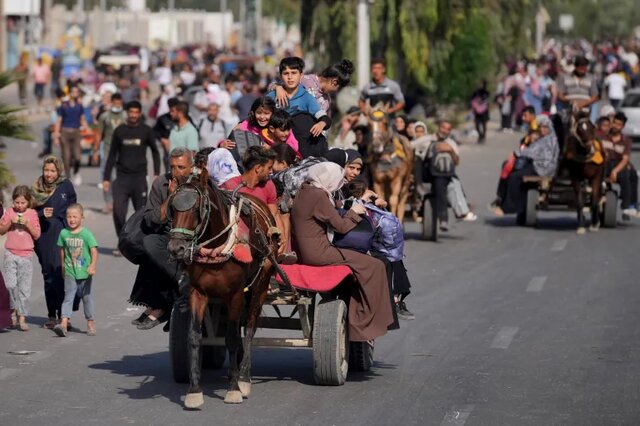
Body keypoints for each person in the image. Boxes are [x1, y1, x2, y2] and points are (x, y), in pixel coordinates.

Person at [290, 162, 394, 341]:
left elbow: (328, 206)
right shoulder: (318, 195)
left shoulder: (306, 190)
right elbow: (341, 227)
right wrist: (354, 212)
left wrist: (347, 203)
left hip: (307, 251)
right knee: (375, 265)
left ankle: (359, 317)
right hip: (319, 253)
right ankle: (363, 322)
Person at [132, 148, 194, 330]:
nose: (176, 172)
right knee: (149, 243)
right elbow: (152, 219)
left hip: (195, 238)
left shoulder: (199, 183)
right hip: (169, 235)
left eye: (181, 167)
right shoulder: (161, 183)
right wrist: (170, 196)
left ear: (191, 166)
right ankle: (174, 289)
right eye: (173, 167)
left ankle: (164, 304)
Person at [103, 101, 160, 255]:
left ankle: (140, 243)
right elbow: (112, 154)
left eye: (136, 112)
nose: (133, 115)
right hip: (122, 178)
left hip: (139, 178)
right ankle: (122, 242)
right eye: (131, 112)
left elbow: (155, 151)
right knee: (118, 211)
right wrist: (106, 178)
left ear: (140, 113)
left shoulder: (146, 130)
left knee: (141, 213)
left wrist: (156, 173)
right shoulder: (119, 131)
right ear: (127, 113)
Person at [31, 156, 77, 328]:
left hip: (63, 234)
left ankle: (65, 316)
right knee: (49, 273)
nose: (48, 174)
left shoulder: (66, 185)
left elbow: (74, 208)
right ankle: (52, 315)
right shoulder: (36, 187)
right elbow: (27, 210)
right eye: (46, 170)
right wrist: (42, 214)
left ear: (58, 171)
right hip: (43, 236)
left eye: (52, 171)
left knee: (64, 273)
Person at [491, 115, 559, 217]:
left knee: (514, 177)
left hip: (542, 168)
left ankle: (508, 208)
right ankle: (514, 205)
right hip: (539, 166)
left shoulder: (549, 140)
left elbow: (533, 152)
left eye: (545, 127)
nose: (542, 129)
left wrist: (516, 153)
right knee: (515, 171)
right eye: (541, 127)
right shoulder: (546, 138)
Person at [266, 57, 332, 158]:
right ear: (281, 76)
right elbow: (259, 115)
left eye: (293, 73)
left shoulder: (306, 97)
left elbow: (324, 117)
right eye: (286, 73)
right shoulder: (272, 96)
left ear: (301, 75)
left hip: (300, 145)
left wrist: (321, 123)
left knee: (301, 118)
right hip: (274, 141)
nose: (290, 77)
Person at [53, 204, 98, 337]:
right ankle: (64, 323)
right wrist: (62, 267)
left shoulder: (86, 234)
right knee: (68, 297)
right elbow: (62, 251)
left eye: (75, 217)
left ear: (82, 217)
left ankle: (90, 323)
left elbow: (94, 251)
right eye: (69, 217)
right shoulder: (64, 233)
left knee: (86, 298)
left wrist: (92, 266)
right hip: (70, 271)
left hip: (85, 273)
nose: (71, 219)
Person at [0, 186, 41, 331]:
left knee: (24, 289)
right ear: (13, 202)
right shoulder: (10, 212)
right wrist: (10, 221)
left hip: (26, 255)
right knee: (10, 285)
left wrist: (27, 224)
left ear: (28, 202)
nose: (19, 205)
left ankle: (22, 317)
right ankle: (12, 312)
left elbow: (37, 235)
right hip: (10, 253)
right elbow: (1, 230)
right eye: (17, 202)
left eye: (23, 203)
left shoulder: (32, 214)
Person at [272, 59, 355, 115]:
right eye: (338, 88)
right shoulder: (305, 79)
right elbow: (271, 85)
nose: (336, 92)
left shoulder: (326, 102)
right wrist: (278, 88)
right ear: (334, 82)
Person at [602, 112, 639, 218]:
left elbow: (625, 159)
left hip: (618, 165)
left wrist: (615, 171)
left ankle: (628, 206)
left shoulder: (626, 141)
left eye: (619, 124)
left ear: (622, 126)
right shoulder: (602, 136)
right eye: (614, 123)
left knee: (629, 174)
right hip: (604, 164)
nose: (615, 126)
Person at [95, 93, 126, 215]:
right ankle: (108, 203)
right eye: (115, 103)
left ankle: (119, 202)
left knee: (120, 179)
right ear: (112, 102)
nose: (117, 105)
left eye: (119, 103)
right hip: (107, 151)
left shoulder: (126, 116)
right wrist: (95, 151)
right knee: (106, 178)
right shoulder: (105, 117)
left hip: (123, 152)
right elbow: (99, 134)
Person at [53, 86, 88, 185]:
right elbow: (58, 121)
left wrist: (87, 129)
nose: (75, 93)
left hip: (76, 132)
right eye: (73, 91)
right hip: (65, 132)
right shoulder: (64, 106)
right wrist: (56, 135)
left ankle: (76, 172)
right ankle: (68, 177)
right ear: (70, 93)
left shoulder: (79, 106)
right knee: (66, 156)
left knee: (78, 156)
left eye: (76, 91)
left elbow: (82, 119)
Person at [153, 96, 179, 173]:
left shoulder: (185, 118)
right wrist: (162, 139)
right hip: (168, 153)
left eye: (174, 110)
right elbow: (154, 131)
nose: (171, 113)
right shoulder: (163, 118)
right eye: (170, 110)